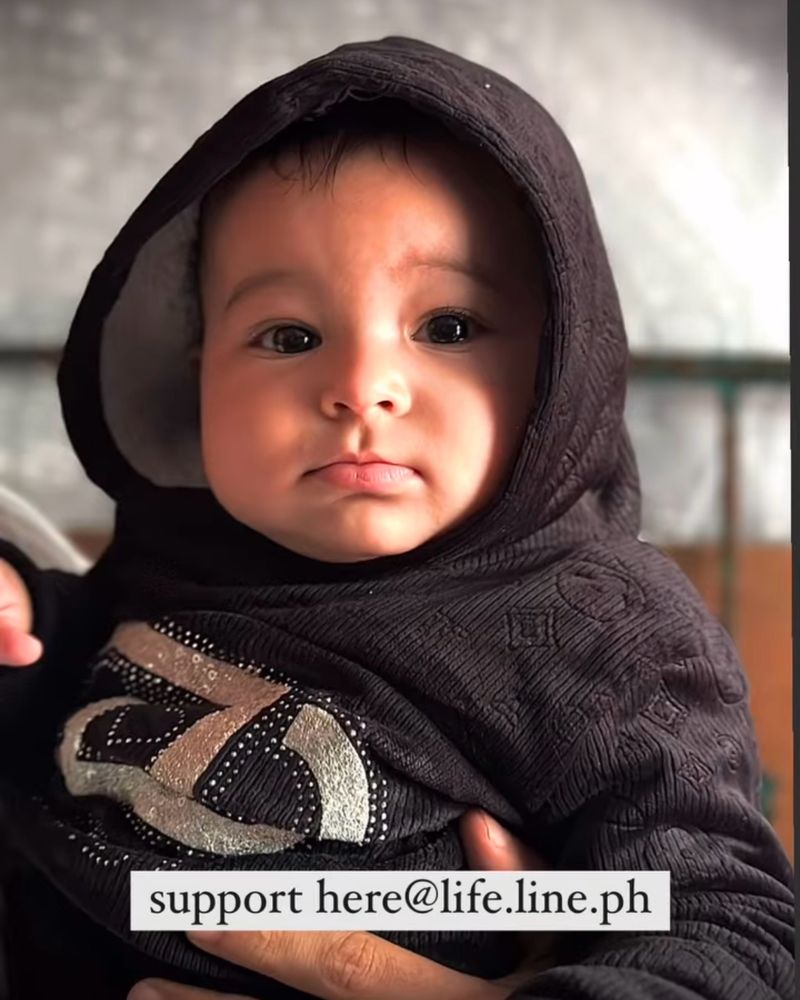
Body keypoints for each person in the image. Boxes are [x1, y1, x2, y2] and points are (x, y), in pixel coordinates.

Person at [0, 34, 793, 1000]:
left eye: (448, 328)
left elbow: (729, 928)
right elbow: (65, 704)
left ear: (560, 371)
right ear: (194, 376)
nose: (361, 386)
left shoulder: (600, 630)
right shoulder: (169, 565)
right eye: (288, 336)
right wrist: (21, 610)